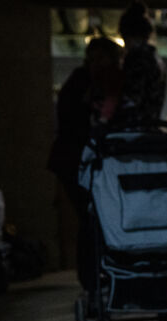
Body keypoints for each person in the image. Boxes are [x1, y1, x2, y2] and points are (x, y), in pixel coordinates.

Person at [48, 37, 122, 288]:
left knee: (91, 217)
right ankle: (91, 278)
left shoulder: (87, 82)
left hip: (79, 160)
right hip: (75, 161)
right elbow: (77, 125)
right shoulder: (83, 83)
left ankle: (93, 276)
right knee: (90, 217)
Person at [113, 1, 166, 125]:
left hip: (134, 131)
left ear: (126, 34)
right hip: (148, 128)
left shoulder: (137, 58)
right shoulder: (155, 58)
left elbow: (132, 100)